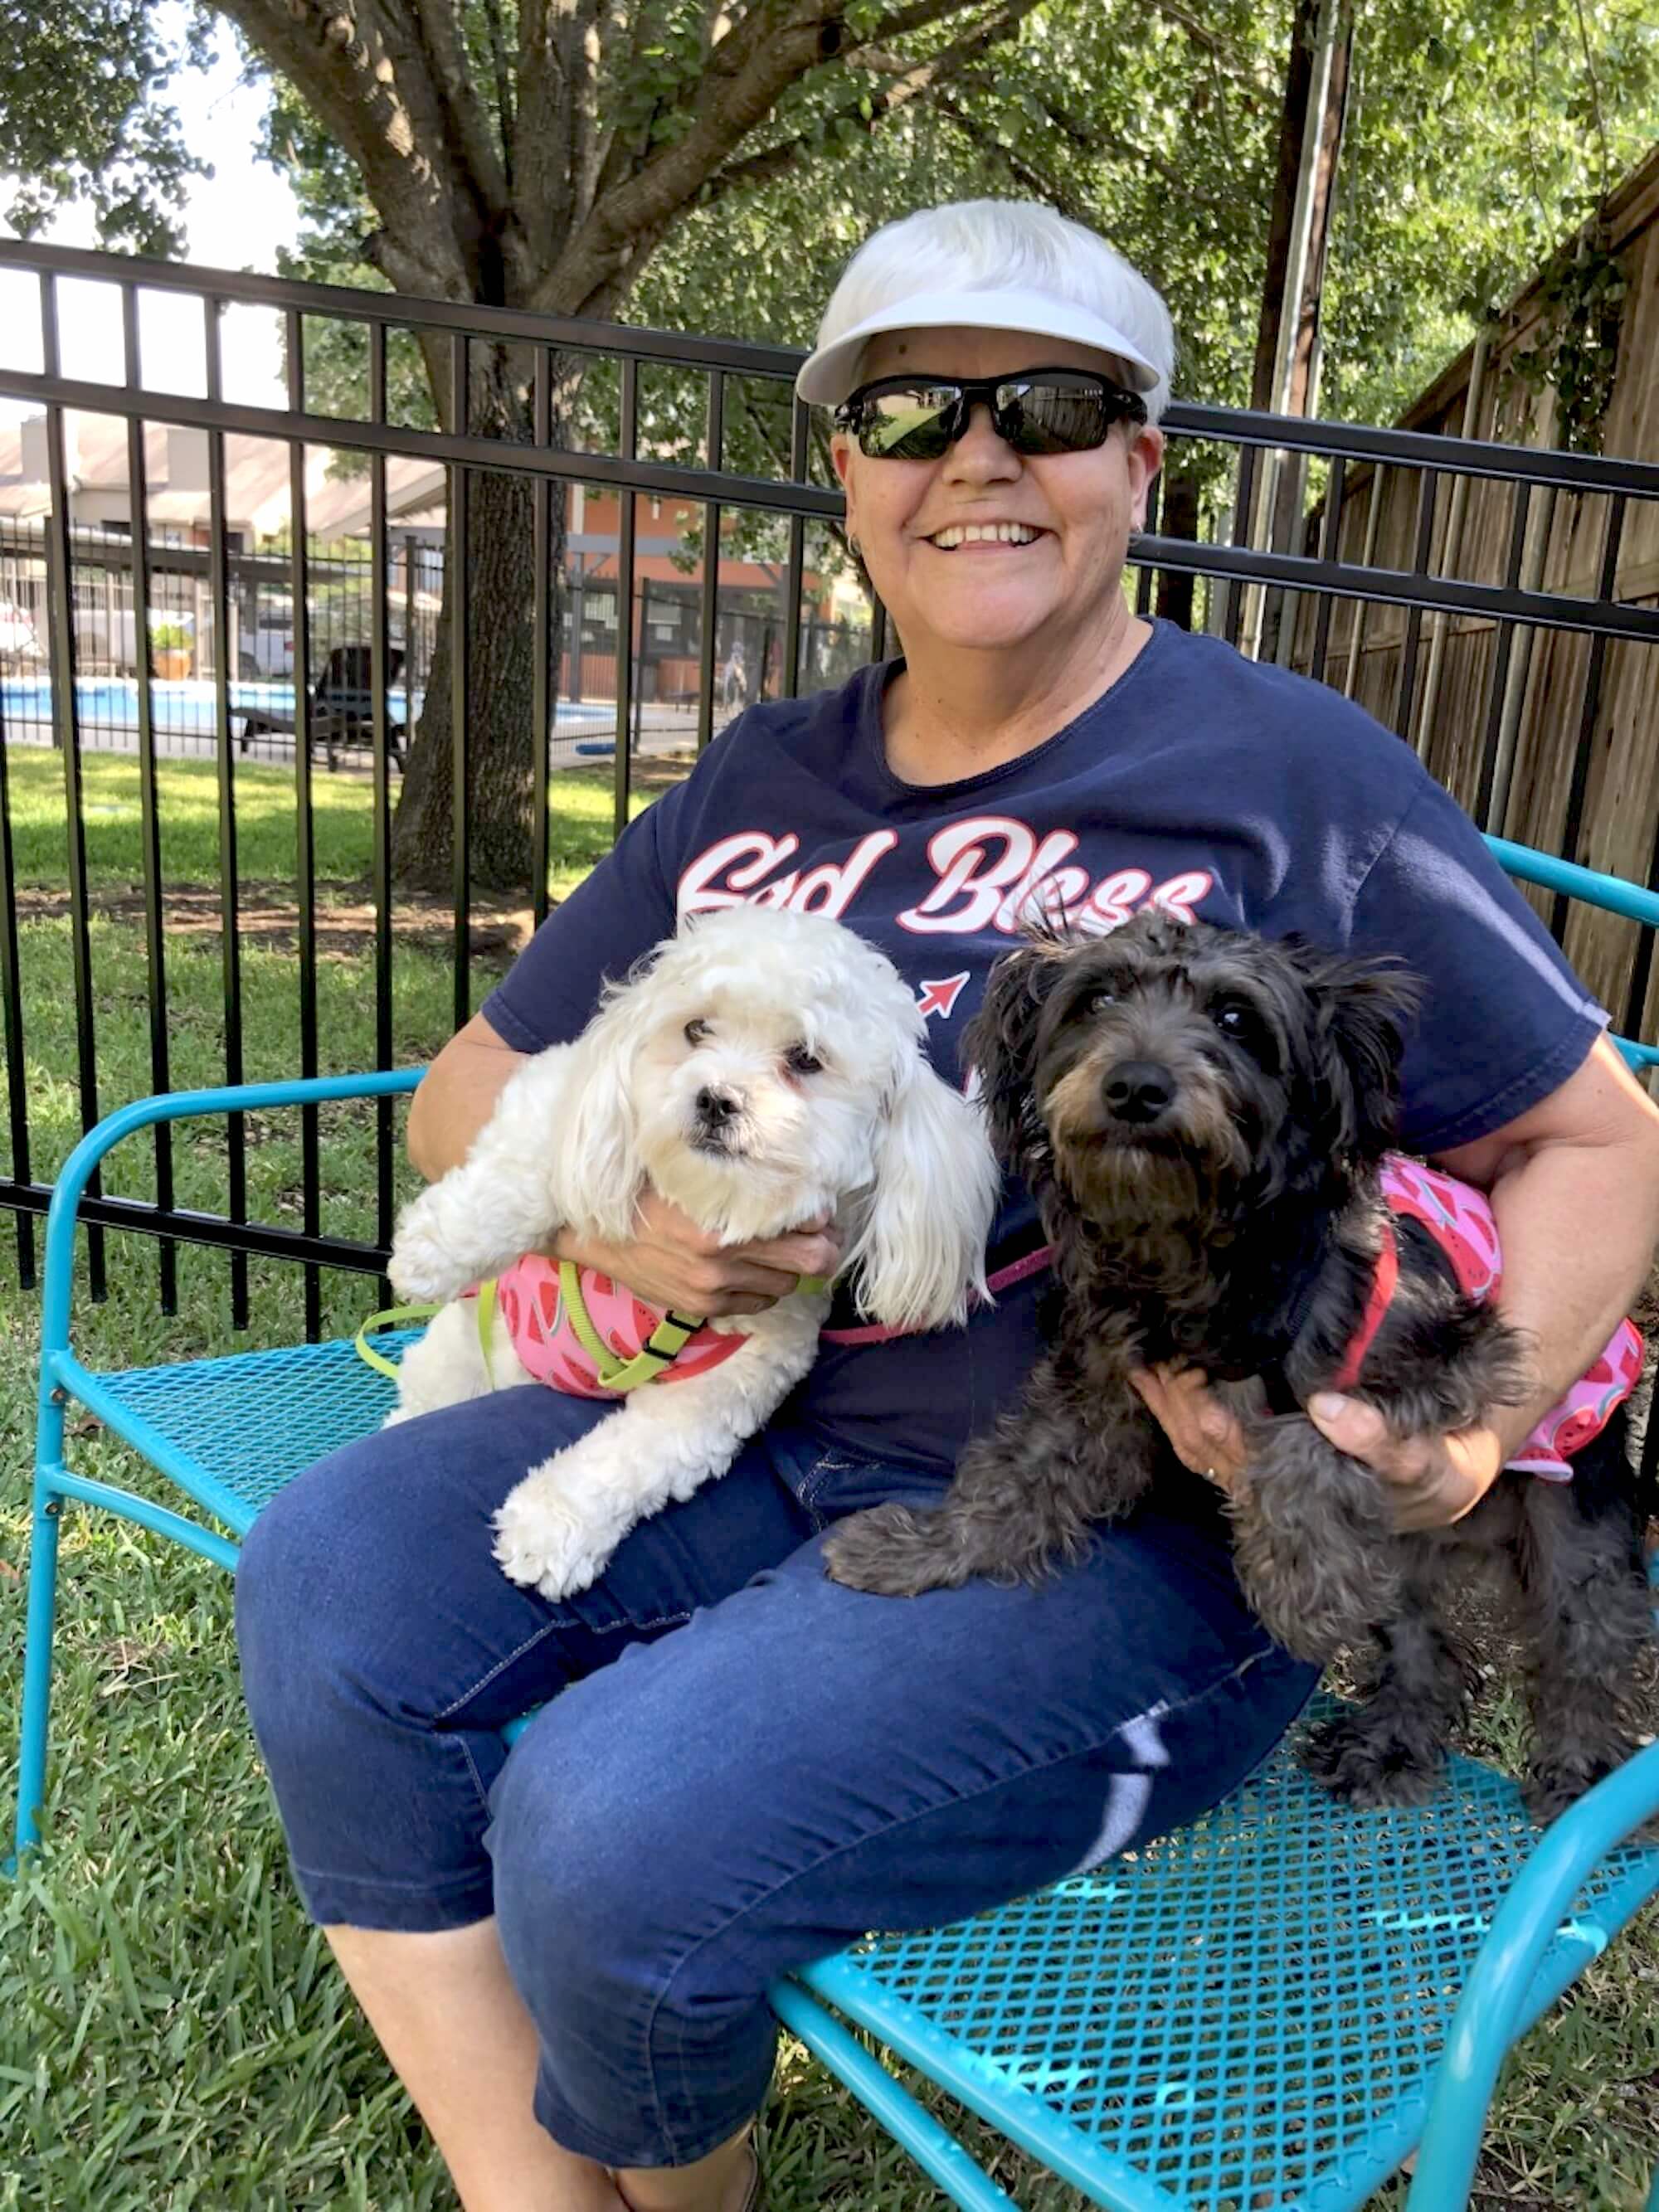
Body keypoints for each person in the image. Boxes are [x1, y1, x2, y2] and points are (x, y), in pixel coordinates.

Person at [235, 200, 1659, 2212]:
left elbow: (1606, 1143)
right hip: (733, 1408)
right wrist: (624, 1221)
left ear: (1138, 463)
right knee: (333, 1580)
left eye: (1049, 403)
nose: (977, 452)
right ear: (846, 470)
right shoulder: (763, 777)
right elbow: (471, 1083)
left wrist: (1475, 1427)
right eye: (911, 408)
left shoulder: (1291, 770)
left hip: (1118, 1524)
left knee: (611, 1825)